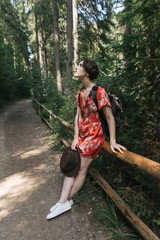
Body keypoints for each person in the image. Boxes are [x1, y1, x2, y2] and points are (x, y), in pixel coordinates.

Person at [46, 58, 127, 220]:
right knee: (71, 166)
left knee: (79, 169)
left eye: (80, 65)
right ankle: (64, 201)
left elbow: (110, 118)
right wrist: (76, 137)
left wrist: (112, 141)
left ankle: (63, 202)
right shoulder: (80, 92)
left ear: (88, 72)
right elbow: (78, 116)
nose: (76, 67)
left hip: (95, 136)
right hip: (82, 135)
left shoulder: (99, 92)